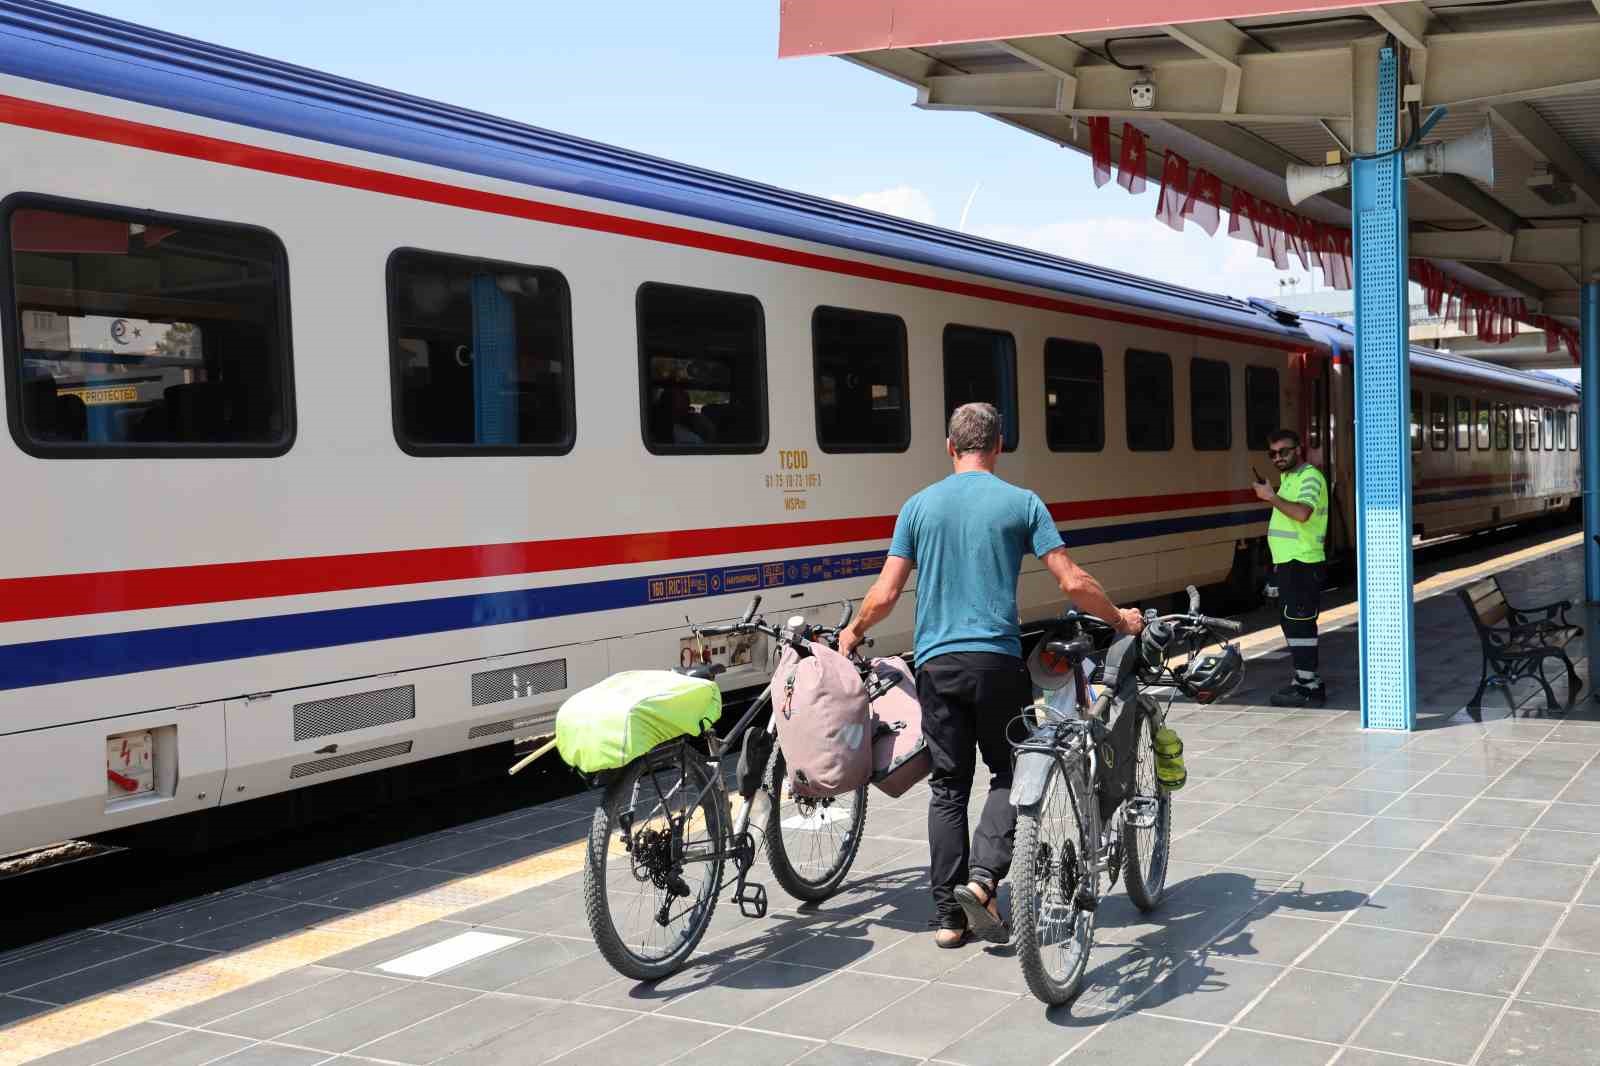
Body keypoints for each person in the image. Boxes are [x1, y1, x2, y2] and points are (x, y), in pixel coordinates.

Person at [839, 402, 1143, 948]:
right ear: (999, 447)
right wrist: (1120, 618)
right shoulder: (1021, 503)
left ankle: (947, 920)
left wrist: (853, 634)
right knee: (1011, 770)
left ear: (950, 448)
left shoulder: (917, 507)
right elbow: (1072, 582)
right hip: (996, 662)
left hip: (935, 663)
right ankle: (982, 882)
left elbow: (884, 594)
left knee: (949, 785)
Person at [1252, 428, 1329, 707]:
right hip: (1290, 563)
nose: (1278, 458)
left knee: (1299, 623)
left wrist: (1271, 497)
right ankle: (1302, 679)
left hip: (1303, 563)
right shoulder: (1289, 478)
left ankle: (1309, 687)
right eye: (1272, 454)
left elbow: (1302, 513)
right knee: (1292, 622)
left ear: (1299, 449)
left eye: (1283, 451)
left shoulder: (1310, 477)